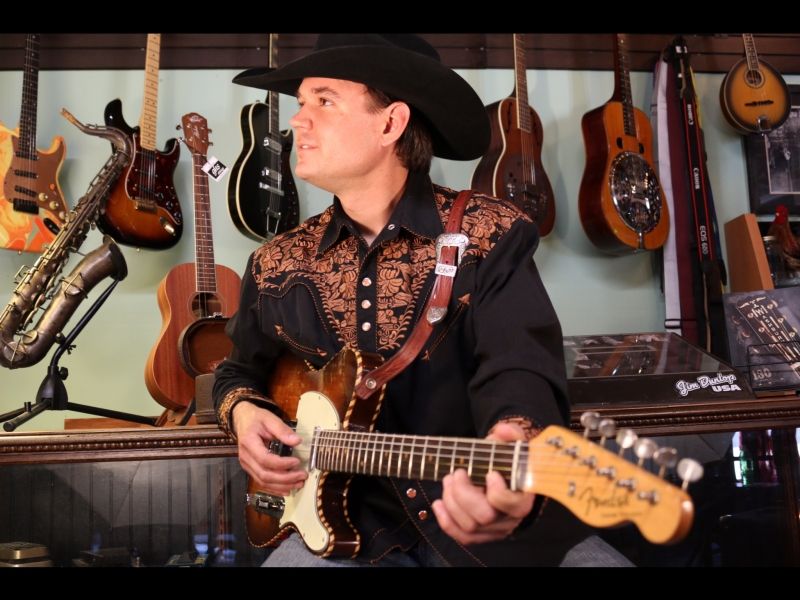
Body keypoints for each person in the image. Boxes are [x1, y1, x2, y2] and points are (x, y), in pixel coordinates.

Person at [214, 34, 631, 567]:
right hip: (338, 528)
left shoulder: (491, 233)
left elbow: (519, 366)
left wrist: (512, 442)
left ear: (391, 123)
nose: (298, 120)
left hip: (479, 521)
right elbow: (237, 372)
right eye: (301, 103)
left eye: (324, 100)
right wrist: (244, 413)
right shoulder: (274, 262)